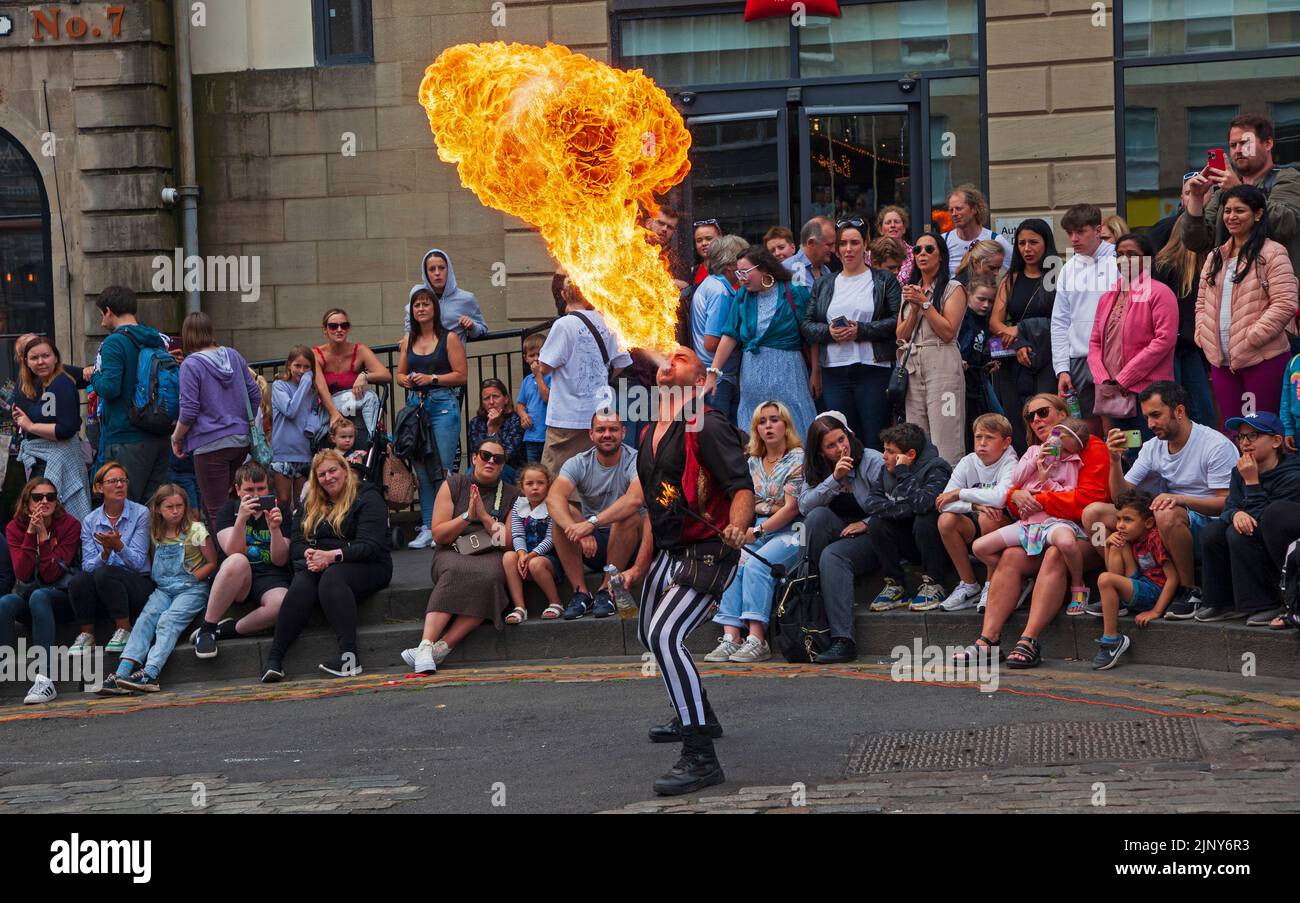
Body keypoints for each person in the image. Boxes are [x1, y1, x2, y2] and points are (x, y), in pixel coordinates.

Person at [614, 346, 752, 796]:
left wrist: (737, 524)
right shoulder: (654, 428)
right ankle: (696, 712)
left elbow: (740, 486)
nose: (667, 362)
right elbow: (656, 507)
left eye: (681, 357)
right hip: (671, 551)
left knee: (664, 636)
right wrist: (640, 565)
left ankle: (701, 755)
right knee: (646, 634)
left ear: (700, 379)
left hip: (709, 549)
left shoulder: (707, 423)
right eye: (666, 358)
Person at [958, 394, 1111, 667]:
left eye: (1042, 412)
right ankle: (988, 641)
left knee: (1055, 553)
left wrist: (1033, 498)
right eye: (1030, 416)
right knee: (1010, 558)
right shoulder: (1035, 451)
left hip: (1084, 533)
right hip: (1038, 529)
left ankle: (1029, 639)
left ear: (1063, 414)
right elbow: (1014, 496)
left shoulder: (1090, 446)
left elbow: (1087, 501)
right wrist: (1016, 497)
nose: (1036, 420)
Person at [1082, 381, 1237, 620]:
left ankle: (1188, 591)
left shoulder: (1215, 445)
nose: (1150, 424)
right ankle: (1126, 586)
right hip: (1165, 520)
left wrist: (1179, 499)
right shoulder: (1152, 446)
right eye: (1146, 417)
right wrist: (1114, 461)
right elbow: (1121, 499)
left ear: (1180, 411)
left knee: (1167, 511)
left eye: (1156, 415)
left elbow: (1227, 503)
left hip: (1209, 526)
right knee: (1093, 514)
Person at [261, 450, 392, 681]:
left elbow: (370, 545)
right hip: (324, 562)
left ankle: (350, 658)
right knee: (301, 583)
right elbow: (296, 544)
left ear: (344, 470)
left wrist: (333, 556)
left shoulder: (367, 496)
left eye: (333, 470)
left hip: (369, 564)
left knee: (333, 577)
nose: (328, 477)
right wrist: (309, 553)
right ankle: (275, 659)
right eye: (321, 474)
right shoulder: (311, 500)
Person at [401, 439, 520, 673]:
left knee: (490, 577)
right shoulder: (455, 484)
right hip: (453, 550)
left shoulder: (512, 494)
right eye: (486, 455)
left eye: (498, 459)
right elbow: (440, 534)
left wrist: (485, 517)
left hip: (490, 552)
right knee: (456, 571)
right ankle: (426, 643)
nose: (491, 462)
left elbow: (507, 542)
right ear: (474, 457)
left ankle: (441, 648)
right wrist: (467, 515)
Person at [705, 401, 805, 664]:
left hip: (791, 530)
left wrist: (757, 532)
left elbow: (791, 508)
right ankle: (731, 637)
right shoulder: (750, 462)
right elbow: (743, 501)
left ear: (786, 425)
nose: (768, 426)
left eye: (774, 419)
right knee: (734, 561)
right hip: (757, 526)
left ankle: (757, 639)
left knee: (757, 566)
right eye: (762, 421)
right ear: (756, 429)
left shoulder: (798, 459)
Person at [1193, 184, 1298, 427]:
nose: (1231, 217)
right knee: (1233, 431)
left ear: (1258, 214)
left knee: (1263, 432)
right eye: (1227, 211)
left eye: (1239, 211)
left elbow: (1285, 304)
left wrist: (1250, 337)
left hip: (1262, 359)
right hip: (1221, 363)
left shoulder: (1273, 252)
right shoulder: (1215, 256)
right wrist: (1203, 335)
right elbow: (1201, 303)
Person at [97, 485, 216, 694]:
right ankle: (123, 671)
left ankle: (150, 673)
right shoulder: (156, 532)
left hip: (191, 588)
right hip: (163, 589)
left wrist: (193, 578)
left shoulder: (196, 530)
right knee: (145, 619)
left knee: (167, 621)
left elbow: (212, 562)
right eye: (169, 507)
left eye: (179, 506)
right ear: (159, 509)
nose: (175, 511)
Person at [973, 420, 1092, 618]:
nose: (1060, 454)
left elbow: (1069, 494)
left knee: (1067, 543)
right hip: (1027, 523)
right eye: (1059, 447)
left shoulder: (1071, 462)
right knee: (979, 548)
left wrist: (1047, 481)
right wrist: (1037, 458)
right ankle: (1024, 578)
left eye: (1066, 451)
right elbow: (1016, 479)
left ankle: (1078, 586)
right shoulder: (1033, 451)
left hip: (1054, 521)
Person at [800, 220, 901, 450]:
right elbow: (807, 325)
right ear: (836, 248)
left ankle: (878, 485)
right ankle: (849, 485)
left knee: (876, 436)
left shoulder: (884, 280)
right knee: (843, 438)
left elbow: (899, 322)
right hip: (834, 371)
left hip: (874, 368)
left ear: (865, 245)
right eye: (843, 243)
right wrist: (829, 332)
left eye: (854, 242)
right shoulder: (824, 283)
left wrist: (861, 330)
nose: (848, 249)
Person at [1195, 412, 1300, 624]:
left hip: (1282, 547)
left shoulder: (1293, 472)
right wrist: (1236, 513)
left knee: (1241, 532)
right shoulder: (1239, 471)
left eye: (1253, 436)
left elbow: (1271, 520)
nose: (1245, 443)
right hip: (1254, 530)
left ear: (1276, 441)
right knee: (1212, 532)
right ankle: (1221, 602)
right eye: (1241, 437)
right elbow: (1229, 506)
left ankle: (1269, 602)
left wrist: (1252, 482)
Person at [798, 412, 885, 663]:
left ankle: (843, 640)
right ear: (820, 452)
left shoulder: (871, 460)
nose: (840, 448)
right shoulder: (817, 469)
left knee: (832, 556)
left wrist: (865, 524)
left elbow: (893, 505)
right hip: (837, 532)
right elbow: (805, 507)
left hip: (874, 533)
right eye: (831, 445)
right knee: (816, 518)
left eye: (842, 439)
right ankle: (808, 588)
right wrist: (834, 479)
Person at [706, 244, 817, 439]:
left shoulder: (794, 292)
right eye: (738, 273)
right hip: (753, 378)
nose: (741, 279)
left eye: (746, 272)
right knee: (755, 429)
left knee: (795, 427)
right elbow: (730, 335)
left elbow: (812, 336)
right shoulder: (742, 296)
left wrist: (816, 372)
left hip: (789, 375)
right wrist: (713, 373)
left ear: (764, 268)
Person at [170, 312, 263, 529]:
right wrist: (242, 421)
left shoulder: (190, 365)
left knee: (216, 510)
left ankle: (227, 559)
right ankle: (241, 553)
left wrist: (177, 437)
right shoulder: (233, 355)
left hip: (209, 445)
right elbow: (255, 394)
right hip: (240, 442)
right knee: (234, 504)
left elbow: (189, 410)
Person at [548, 411, 642, 620]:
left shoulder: (635, 459)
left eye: (613, 429)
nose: (607, 434)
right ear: (591, 434)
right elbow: (553, 498)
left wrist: (590, 523)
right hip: (593, 546)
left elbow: (634, 499)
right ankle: (581, 592)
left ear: (623, 432)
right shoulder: (579, 462)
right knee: (561, 516)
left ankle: (607, 589)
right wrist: (579, 531)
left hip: (631, 543)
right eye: (601, 430)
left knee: (627, 515)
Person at [193, 462, 293, 658]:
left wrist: (275, 529)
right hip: (238, 577)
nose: (255, 495)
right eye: (249, 490)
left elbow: (280, 560)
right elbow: (233, 550)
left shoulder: (280, 511)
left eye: (261, 488)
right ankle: (207, 627)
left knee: (282, 603)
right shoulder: (228, 510)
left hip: (271, 575)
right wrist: (241, 519)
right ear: (238, 490)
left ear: (268, 488)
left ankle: (229, 630)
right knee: (237, 560)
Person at [1181, 113, 1300, 277]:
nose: (1238, 150)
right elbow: (1195, 242)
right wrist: (1196, 198)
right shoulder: (1222, 191)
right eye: (1233, 145)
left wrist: (1239, 189)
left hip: (1272, 287)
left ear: (1268, 143)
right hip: (1228, 288)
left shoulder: (1287, 177)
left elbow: (1287, 222)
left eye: (1245, 143)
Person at [537, 278, 632, 477]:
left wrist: (535, 368)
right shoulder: (607, 322)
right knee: (591, 477)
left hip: (566, 417)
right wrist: (602, 378)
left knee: (555, 477)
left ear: (563, 295)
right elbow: (621, 362)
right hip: (598, 415)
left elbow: (544, 366)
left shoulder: (563, 325)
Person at [857, 422, 955, 612]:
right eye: (884, 450)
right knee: (877, 523)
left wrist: (903, 473)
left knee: (925, 518)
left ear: (909, 455)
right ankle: (896, 585)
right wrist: (906, 508)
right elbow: (872, 504)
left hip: (937, 545)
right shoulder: (886, 469)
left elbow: (923, 504)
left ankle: (935, 584)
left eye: (890, 451)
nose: (884, 456)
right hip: (908, 540)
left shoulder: (937, 469)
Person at [397, 286, 468, 551]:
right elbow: (399, 374)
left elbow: (461, 375)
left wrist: (432, 378)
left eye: (426, 304)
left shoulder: (448, 338)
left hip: (443, 405)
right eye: (417, 305)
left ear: (434, 309)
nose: (421, 308)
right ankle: (428, 527)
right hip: (416, 406)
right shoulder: (408, 341)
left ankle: (444, 527)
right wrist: (405, 379)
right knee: (422, 469)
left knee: (443, 469)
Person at [1087, 234, 1178, 436]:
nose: (1124, 260)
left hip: (1148, 392)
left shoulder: (1160, 293)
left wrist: (1125, 377)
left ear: (1148, 260)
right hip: (1113, 391)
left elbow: (1164, 340)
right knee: (1123, 453)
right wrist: (1103, 378)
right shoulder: (1107, 296)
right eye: (1119, 255)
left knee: (1149, 452)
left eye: (1132, 255)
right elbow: (1094, 342)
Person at [0, 478, 81, 704]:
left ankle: (44, 679)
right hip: (31, 596)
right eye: (38, 497)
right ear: (27, 503)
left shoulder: (70, 525)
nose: (44, 501)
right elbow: (23, 573)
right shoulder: (14, 527)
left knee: (39, 596)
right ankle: (3, 668)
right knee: (5, 603)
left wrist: (44, 537)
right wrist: (30, 533)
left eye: (50, 497)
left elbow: (52, 575)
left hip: (62, 598)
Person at [89, 286, 172, 503]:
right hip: (158, 434)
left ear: (108, 311)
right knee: (154, 510)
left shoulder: (114, 342)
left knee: (123, 507)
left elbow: (110, 387)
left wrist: (94, 375)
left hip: (126, 438)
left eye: (101, 314)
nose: (101, 322)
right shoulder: (155, 338)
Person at [67, 461, 154, 657]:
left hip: (138, 585)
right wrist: (105, 553)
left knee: (106, 573)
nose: (119, 485)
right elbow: (88, 566)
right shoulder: (90, 521)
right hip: (105, 587)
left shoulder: (141, 513)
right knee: (79, 579)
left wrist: (119, 547)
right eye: (113, 481)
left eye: (123, 480)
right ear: (99, 487)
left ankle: (124, 629)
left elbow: (138, 563)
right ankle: (86, 635)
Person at [932, 413, 1017, 611]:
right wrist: (973, 505)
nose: (982, 443)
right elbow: (943, 502)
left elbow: (999, 498)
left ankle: (991, 583)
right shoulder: (968, 461)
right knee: (946, 520)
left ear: (1006, 442)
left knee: (990, 515)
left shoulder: (1011, 462)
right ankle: (969, 585)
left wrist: (961, 493)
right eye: (978, 437)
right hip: (974, 527)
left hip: (1006, 530)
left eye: (989, 437)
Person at [897, 232, 969, 464]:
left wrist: (925, 303)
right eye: (917, 250)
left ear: (941, 256)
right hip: (914, 363)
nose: (922, 254)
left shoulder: (953, 288)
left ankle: (949, 487)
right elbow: (900, 335)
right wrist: (915, 308)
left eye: (929, 249)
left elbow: (948, 332)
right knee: (917, 433)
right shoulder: (910, 289)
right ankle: (923, 489)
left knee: (946, 430)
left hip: (943, 362)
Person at [990, 219, 1059, 451]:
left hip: (1049, 358)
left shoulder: (1059, 276)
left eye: (1033, 242)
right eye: (1021, 243)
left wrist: (1021, 328)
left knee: (1047, 417)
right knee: (1018, 419)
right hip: (1015, 361)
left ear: (1046, 243)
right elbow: (995, 322)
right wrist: (1018, 341)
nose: (1027, 249)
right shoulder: (1011, 279)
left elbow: (1064, 320)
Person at [1091, 489, 1178, 670]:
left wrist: (1156, 611)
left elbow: (1172, 578)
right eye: (1119, 519)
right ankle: (1118, 604)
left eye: (1128, 520)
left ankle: (1111, 638)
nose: (1121, 525)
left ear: (1148, 522)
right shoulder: (1132, 537)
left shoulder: (1154, 538)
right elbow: (1112, 572)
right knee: (1116, 544)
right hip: (1141, 582)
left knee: (1105, 579)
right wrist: (1107, 546)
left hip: (1153, 591)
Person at [1052, 203, 1119, 429]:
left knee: (1115, 424)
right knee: (1085, 428)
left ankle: (1119, 465)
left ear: (1098, 230)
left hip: (1113, 357)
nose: (1074, 238)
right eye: (1070, 233)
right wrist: (1062, 368)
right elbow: (1060, 322)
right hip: (1078, 358)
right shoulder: (1067, 268)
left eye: (1081, 231)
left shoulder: (1121, 259)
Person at [10, 335, 91, 520]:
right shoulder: (29, 382)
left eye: (45, 356)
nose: (40, 362)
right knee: (38, 516)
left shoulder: (61, 382)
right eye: (34, 357)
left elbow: (66, 429)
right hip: (38, 457)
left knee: (53, 516)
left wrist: (30, 425)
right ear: (25, 360)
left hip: (57, 458)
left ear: (55, 357)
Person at [1153, 213, 1216, 428]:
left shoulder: (1207, 266)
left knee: (1198, 408)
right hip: (1171, 347)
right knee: (1180, 408)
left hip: (1191, 346)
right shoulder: (1163, 267)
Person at [691, 234, 747, 422]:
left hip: (718, 378)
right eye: (742, 260)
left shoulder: (712, 285)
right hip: (717, 381)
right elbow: (711, 342)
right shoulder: (720, 292)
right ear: (731, 264)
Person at [311, 308, 392, 431]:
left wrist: (364, 376)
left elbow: (386, 375)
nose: (339, 330)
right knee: (369, 397)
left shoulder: (359, 350)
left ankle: (374, 439)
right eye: (333, 326)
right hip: (328, 409)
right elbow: (321, 387)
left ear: (348, 328)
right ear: (325, 329)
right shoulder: (316, 354)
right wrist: (334, 414)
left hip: (354, 408)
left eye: (344, 325)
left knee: (371, 398)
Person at [503, 462, 562, 623]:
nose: (535, 487)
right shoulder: (519, 505)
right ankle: (520, 607)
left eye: (540, 483)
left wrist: (532, 554)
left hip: (547, 559)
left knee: (536, 563)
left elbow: (551, 538)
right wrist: (522, 554)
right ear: (522, 488)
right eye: (529, 483)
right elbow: (517, 534)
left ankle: (555, 601)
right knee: (509, 556)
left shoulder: (552, 506)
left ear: (548, 486)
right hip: (526, 557)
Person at [271, 345, 318, 512]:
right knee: (283, 502)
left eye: (306, 367)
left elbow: (314, 412)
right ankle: (282, 537)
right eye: (298, 366)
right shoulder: (279, 386)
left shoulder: (312, 391)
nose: (302, 371)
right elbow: (290, 410)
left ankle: (298, 538)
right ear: (289, 365)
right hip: (282, 452)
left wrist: (311, 427)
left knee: (301, 504)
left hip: (304, 453)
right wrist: (306, 382)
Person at [959, 273, 1002, 447]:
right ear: (968, 295)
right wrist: (957, 359)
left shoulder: (985, 321)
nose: (986, 305)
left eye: (990, 301)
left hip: (977, 381)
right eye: (981, 299)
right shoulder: (962, 317)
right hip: (960, 381)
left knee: (996, 417)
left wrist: (989, 362)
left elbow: (983, 347)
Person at [419, 248, 489, 342]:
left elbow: (482, 330)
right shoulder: (418, 296)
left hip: (454, 355)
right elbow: (410, 326)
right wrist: (407, 340)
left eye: (441, 268)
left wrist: (472, 326)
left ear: (449, 270)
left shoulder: (466, 298)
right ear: (426, 274)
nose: (437, 273)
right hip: (423, 355)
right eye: (432, 269)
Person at [943, 185, 1013, 277]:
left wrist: (1003, 289)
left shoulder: (994, 239)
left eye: (959, 209)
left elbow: (1016, 268)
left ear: (974, 209)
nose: (954, 214)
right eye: (951, 210)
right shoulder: (944, 240)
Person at [468, 378, 526, 482]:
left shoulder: (515, 420)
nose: (491, 402)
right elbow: (476, 456)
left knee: (498, 471)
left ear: (506, 399)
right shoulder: (475, 422)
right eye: (486, 398)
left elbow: (505, 456)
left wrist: (493, 430)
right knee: (470, 473)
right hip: (483, 468)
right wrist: (491, 429)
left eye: (495, 396)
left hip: (510, 470)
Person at [516, 333, 551, 464]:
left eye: (540, 354)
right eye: (532, 355)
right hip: (531, 436)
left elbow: (546, 397)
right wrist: (523, 414)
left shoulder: (552, 376)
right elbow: (520, 404)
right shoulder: (527, 380)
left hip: (548, 436)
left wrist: (538, 375)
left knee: (549, 473)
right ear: (525, 358)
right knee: (533, 471)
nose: (536, 359)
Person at [783, 216, 836, 289]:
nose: (833, 250)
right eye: (829, 245)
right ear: (811, 243)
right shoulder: (788, 269)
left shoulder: (826, 271)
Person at [873, 206, 914, 282]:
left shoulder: (914, 253)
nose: (893, 225)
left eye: (897, 222)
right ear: (880, 230)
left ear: (904, 228)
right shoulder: (871, 254)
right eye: (888, 222)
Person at [691, 218, 722, 285]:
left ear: (720, 239)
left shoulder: (731, 269)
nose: (704, 243)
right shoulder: (694, 271)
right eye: (699, 240)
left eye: (709, 239)